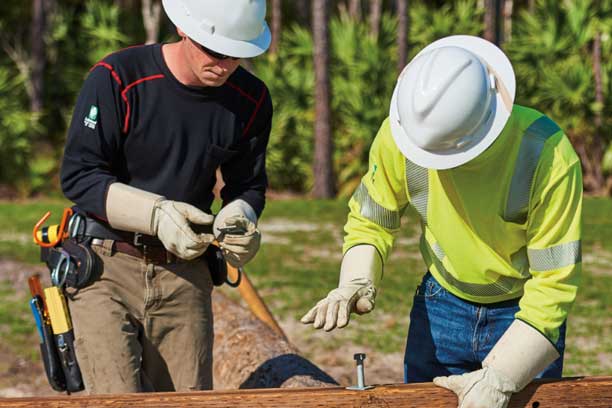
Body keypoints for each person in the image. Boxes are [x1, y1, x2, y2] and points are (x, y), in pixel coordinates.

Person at [301, 35, 581, 408]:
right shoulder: (405, 135)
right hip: (441, 306)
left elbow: (554, 284)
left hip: (522, 316)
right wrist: (355, 279)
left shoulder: (548, 156)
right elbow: (372, 220)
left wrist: (503, 375)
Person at [59, 0, 272, 393]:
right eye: (215, 52)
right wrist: (154, 214)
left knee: (189, 399)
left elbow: (248, 184)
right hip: (106, 264)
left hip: (185, 269)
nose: (224, 65)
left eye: (236, 55)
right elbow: (80, 176)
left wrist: (241, 214)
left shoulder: (251, 99)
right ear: (184, 29)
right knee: (114, 399)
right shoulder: (117, 77)